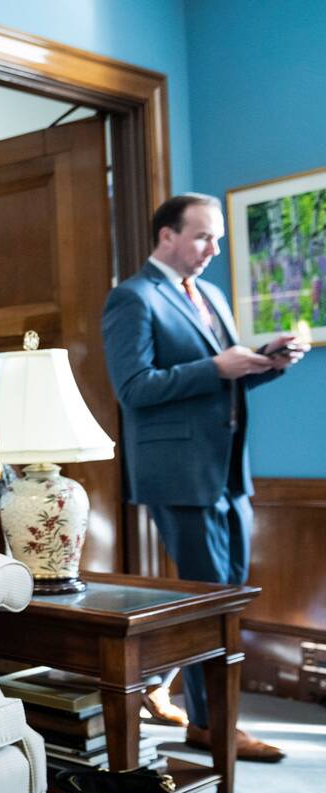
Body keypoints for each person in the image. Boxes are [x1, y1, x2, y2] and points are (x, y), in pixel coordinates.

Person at [101, 193, 306, 762]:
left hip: (230, 471)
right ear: (166, 236)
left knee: (228, 598)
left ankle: (204, 720)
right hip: (181, 476)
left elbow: (222, 381)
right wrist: (217, 365)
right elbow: (134, 388)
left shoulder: (211, 295)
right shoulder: (133, 298)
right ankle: (217, 725)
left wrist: (267, 362)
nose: (214, 249)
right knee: (209, 605)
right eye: (203, 237)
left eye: (216, 238)